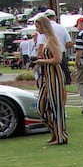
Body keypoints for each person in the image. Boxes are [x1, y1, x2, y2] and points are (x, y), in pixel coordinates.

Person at [33, 12, 68, 145]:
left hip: (55, 75)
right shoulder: (46, 40)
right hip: (46, 77)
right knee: (41, 106)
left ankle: (61, 136)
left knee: (57, 106)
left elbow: (57, 59)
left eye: (38, 27)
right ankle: (55, 131)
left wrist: (42, 62)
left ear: (44, 26)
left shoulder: (52, 40)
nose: (37, 30)